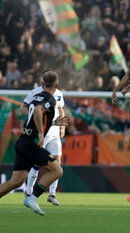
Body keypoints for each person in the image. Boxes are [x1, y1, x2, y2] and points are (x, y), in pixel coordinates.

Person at [0, 71, 69, 215]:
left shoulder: (36, 96)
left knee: (16, 182)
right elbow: (38, 111)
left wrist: (54, 122)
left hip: (23, 141)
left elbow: (34, 112)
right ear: (56, 85)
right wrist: (41, 133)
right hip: (32, 143)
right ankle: (33, 198)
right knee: (57, 170)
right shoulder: (50, 99)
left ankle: (33, 196)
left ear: (42, 84)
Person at [20, 71, 65, 206]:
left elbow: (61, 110)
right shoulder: (35, 92)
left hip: (55, 132)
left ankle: (52, 194)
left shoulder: (58, 94)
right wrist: (36, 118)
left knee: (57, 162)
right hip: (42, 132)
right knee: (38, 163)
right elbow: (23, 108)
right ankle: (28, 192)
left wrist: (62, 127)